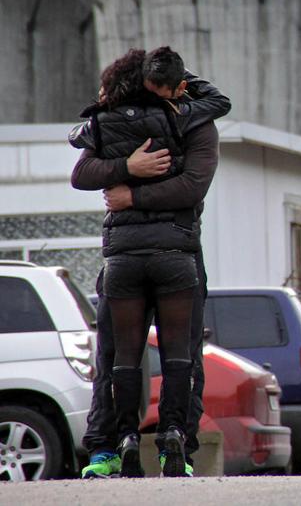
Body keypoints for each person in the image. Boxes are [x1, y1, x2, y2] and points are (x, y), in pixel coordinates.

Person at [70, 47, 229, 478]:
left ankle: (111, 446)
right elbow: (192, 187)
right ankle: (174, 443)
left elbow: (82, 174)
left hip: (123, 254)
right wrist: (130, 166)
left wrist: (128, 189)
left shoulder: (109, 126)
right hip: (176, 253)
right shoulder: (193, 122)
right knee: (182, 357)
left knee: (116, 356)